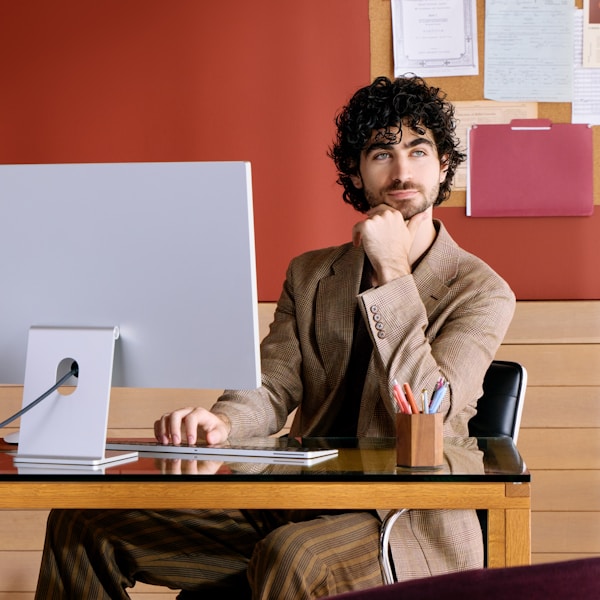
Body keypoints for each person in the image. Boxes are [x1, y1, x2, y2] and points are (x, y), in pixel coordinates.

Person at [35, 75, 515, 600]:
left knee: (292, 557)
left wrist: (394, 271)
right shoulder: (311, 275)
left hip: (404, 523)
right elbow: (273, 384)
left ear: (443, 164)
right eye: (382, 153)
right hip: (292, 501)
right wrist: (221, 422)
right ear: (357, 170)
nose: (401, 171)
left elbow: (427, 407)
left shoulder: (481, 290)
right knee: (83, 523)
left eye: (418, 151)